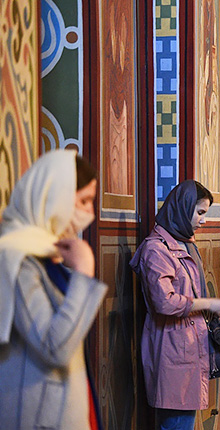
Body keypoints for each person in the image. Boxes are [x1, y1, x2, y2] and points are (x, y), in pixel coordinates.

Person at [0, 149, 107, 430]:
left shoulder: (43, 253)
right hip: (36, 414)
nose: (90, 213)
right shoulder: (16, 258)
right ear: (53, 196)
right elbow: (54, 347)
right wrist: (84, 273)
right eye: (83, 201)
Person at [130, 180, 220, 430]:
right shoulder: (156, 249)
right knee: (176, 424)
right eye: (200, 212)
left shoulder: (184, 244)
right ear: (183, 209)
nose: (203, 220)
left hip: (187, 345)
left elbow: (193, 292)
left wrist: (215, 313)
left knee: (181, 422)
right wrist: (207, 303)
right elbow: (164, 302)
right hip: (171, 346)